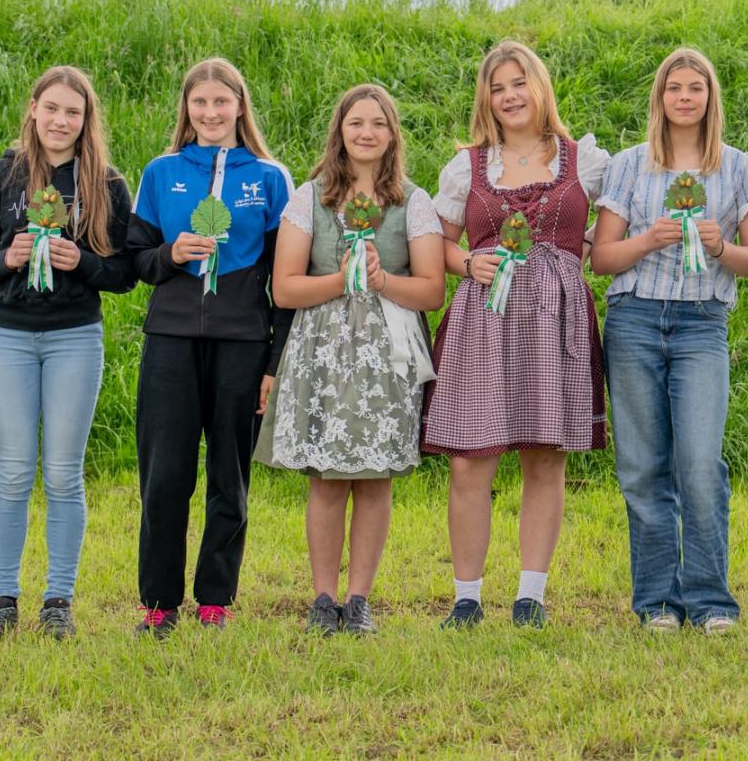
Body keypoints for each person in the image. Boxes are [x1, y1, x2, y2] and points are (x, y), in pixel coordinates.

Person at [423, 40, 609, 629]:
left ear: (540, 87)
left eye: (518, 83)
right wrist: (466, 262)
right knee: (469, 460)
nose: (509, 96)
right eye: (497, 88)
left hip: (555, 320)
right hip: (485, 319)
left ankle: (531, 596)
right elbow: (435, 242)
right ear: (486, 99)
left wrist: (574, 255)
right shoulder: (467, 168)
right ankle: (467, 598)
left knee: (544, 457)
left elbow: (609, 231)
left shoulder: (585, 161)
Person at [591, 47, 748, 635]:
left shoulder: (740, 168)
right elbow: (602, 258)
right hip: (634, 320)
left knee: (699, 465)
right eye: (675, 88)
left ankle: (712, 600)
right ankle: (657, 603)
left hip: (701, 324)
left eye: (696, 88)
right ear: (660, 98)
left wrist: (720, 246)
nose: (685, 98)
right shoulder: (628, 165)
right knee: (643, 468)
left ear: (710, 97)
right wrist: (650, 239)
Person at [256, 84, 444, 636]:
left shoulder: (413, 201)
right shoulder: (309, 197)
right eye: (356, 122)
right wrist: (341, 280)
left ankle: (359, 599)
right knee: (327, 478)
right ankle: (322, 597)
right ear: (340, 130)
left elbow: (431, 290)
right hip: (323, 349)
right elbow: (285, 288)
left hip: (388, 352)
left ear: (392, 135)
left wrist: (382, 280)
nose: (367, 132)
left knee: (376, 478)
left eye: (378, 124)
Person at [0, 66, 136, 640]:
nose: (61, 121)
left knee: (63, 473)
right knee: (13, 472)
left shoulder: (106, 184)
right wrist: (7, 259)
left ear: (87, 120)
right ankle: (2, 599)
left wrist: (81, 263)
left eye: (73, 113)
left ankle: (58, 599)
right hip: (9, 338)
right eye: (52, 108)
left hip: (74, 338)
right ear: (33, 108)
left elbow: (124, 273)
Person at [126, 58, 292, 636]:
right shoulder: (160, 172)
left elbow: (285, 284)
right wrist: (170, 254)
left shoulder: (270, 177)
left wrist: (274, 361)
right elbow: (135, 260)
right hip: (170, 342)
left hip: (242, 344)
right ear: (187, 108)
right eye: (200, 102)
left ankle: (216, 598)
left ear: (240, 106)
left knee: (229, 475)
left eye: (221, 101)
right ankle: (159, 602)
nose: (211, 112)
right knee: (164, 476)